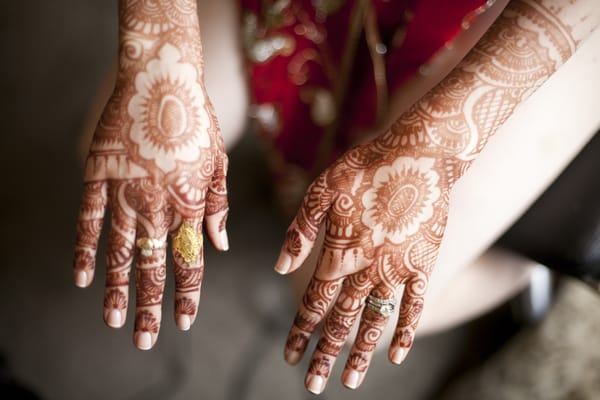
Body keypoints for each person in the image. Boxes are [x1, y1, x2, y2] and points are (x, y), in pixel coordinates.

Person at [73, 0, 600, 394]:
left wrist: (435, 145)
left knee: (339, 300)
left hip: (522, 20)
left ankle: (517, 257)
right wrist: (158, 50)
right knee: (123, 157)